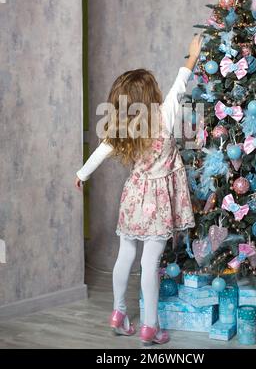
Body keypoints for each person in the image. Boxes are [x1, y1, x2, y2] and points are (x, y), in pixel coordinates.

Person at [75, 34, 203, 345]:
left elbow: (100, 152)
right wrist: (192, 55)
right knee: (150, 263)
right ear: (151, 95)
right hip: (157, 202)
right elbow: (181, 81)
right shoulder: (165, 114)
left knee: (126, 254)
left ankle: (118, 313)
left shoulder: (122, 127)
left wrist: (81, 174)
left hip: (134, 197)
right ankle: (150, 327)